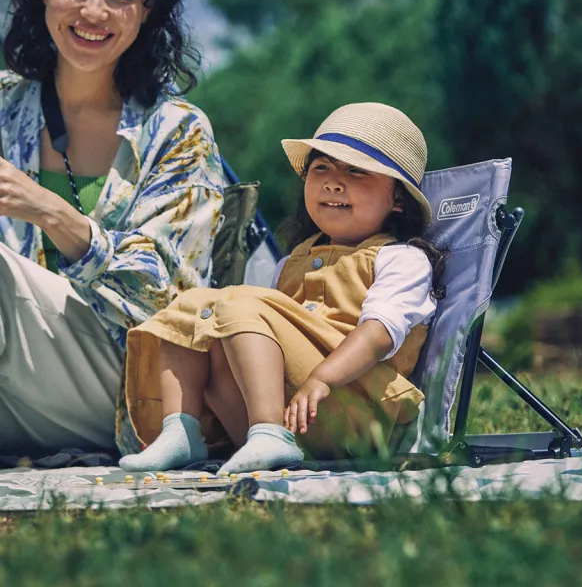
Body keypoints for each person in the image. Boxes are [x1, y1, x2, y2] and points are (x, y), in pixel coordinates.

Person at [118, 102, 446, 473]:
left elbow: (377, 336)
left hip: (357, 412)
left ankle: (269, 433)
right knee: (196, 307)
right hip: (290, 417)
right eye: (321, 167)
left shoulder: (401, 259)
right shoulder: (289, 263)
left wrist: (322, 377)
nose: (333, 181)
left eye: (356, 171)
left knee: (238, 304)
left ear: (398, 199)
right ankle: (183, 429)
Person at [0, 0, 223, 454]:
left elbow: (168, 299)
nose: (93, 12)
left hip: (125, 389)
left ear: (147, 9)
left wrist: (54, 213)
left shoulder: (177, 132)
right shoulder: (4, 105)